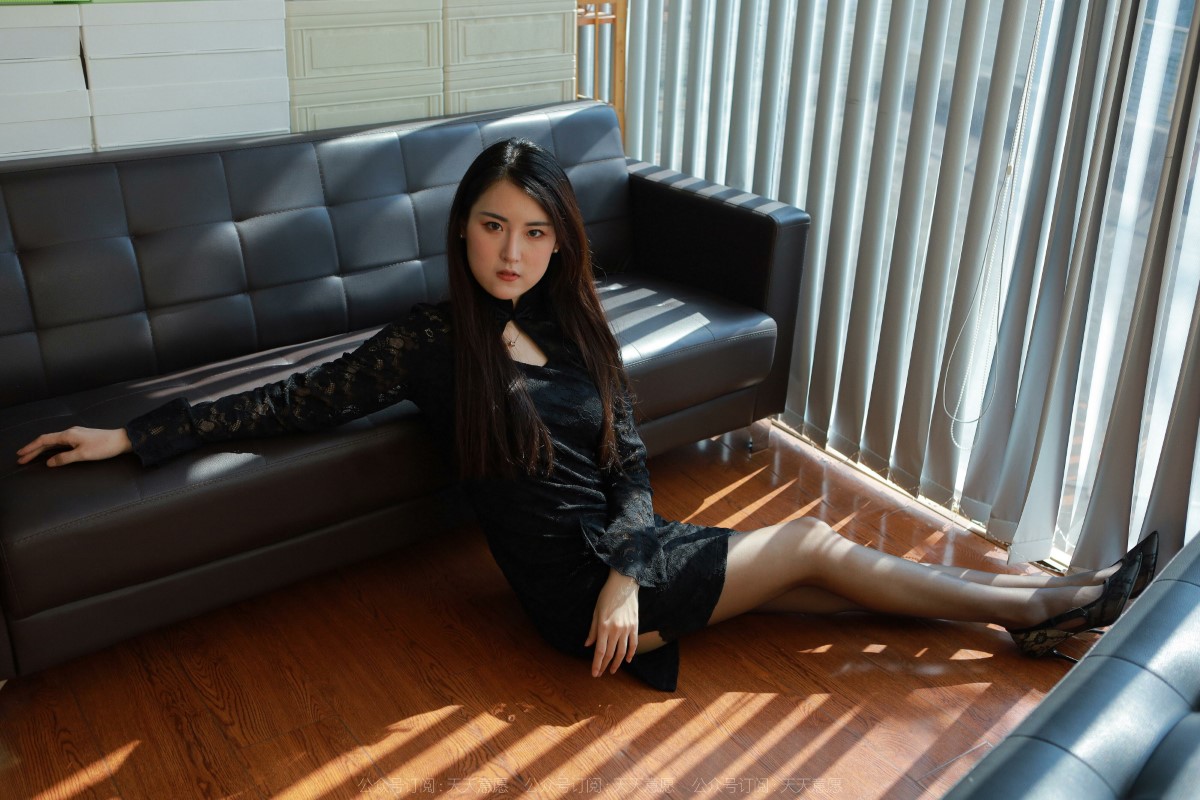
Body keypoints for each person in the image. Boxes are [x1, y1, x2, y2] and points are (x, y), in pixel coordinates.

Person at [16, 139, 1156, 691]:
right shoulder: (429, 342)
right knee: (812, 544)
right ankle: (1045, 601)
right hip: (568, 596)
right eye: (492, 227)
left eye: (535, 231)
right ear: (463, 231)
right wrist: (137, 432)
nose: (512, 251)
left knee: (809, 580)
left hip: (617, 566)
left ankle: (1028, 614)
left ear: (560, 241)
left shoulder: (576, 331)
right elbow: (290, 400)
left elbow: (626, 463)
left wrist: (628, 568)